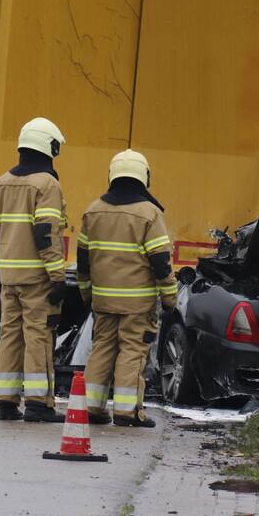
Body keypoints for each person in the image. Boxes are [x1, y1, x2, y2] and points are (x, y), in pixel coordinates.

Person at [78, 149, 176, 428]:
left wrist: (87, 294)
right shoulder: (149, 213)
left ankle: (92, 407)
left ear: (112, 175)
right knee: (132, 352)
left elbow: (83, 260)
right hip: (137, 304)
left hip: (103, 301)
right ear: (144, 177)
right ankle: (127, 411)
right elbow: (161, 261)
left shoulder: (93, 210)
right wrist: (169, 298)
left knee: (102, 349)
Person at [0, 117, 68, 423]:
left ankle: (5, 403)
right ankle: (38, 403)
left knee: (9, 336)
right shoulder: (47, 184)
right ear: (48, 146)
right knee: (38, 336)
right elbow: (45, 233)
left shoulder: (1, 182)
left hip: (9, 277)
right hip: (37, 278)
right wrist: (57, 276)